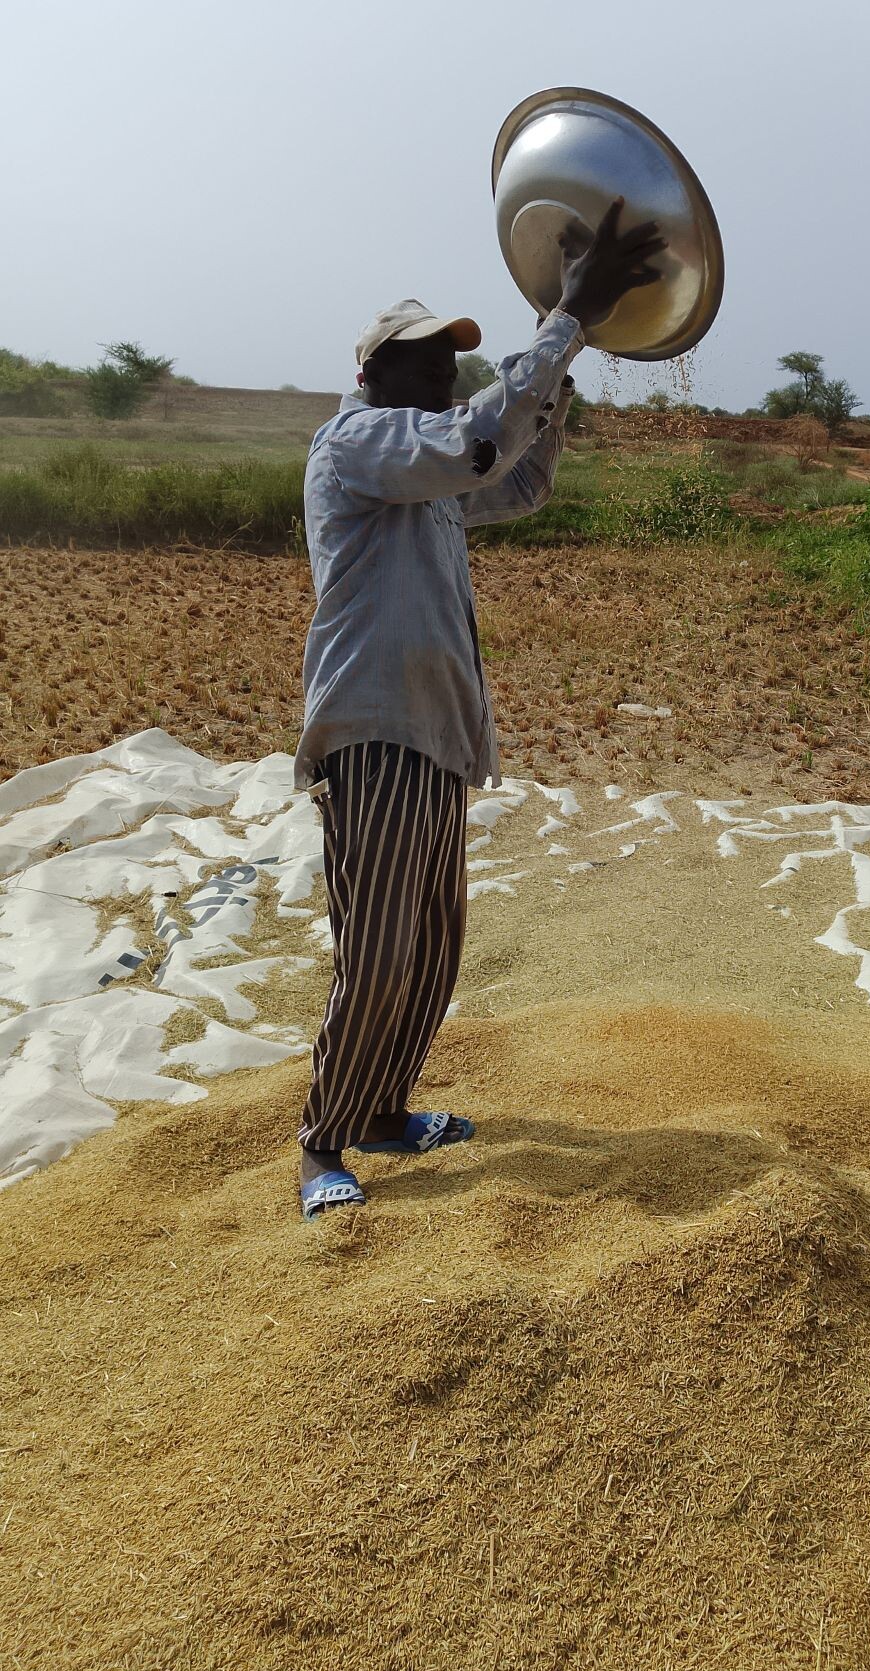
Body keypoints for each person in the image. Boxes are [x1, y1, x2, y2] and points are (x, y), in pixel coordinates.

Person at [293, 199, 665, 1220]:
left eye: (450, 366)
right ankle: (322, 1140)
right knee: (377, 951)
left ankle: (382, 1111)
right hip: (373, 730)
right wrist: (566, 321)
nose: (444, 379)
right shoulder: (356, 443)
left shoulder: (431, 474)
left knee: (430, 947)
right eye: (425, 365)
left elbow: (517, 477)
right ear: (374, 374)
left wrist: (560, 372)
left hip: (436, 736)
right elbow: (475, 440)